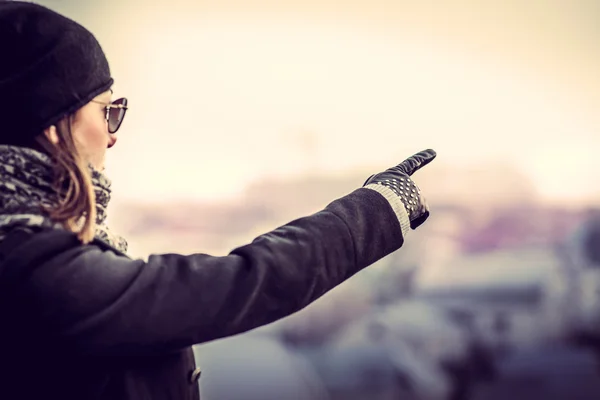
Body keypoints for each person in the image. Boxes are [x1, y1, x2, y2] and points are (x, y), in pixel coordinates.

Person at [0, 2, 437, 400]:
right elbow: (243, 281)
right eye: (106, 110)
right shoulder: (35, 272)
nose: (113, 135)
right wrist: (376, 210)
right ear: (57, 125)